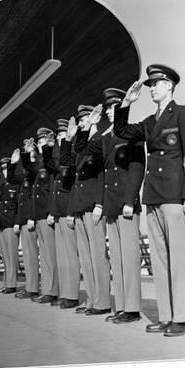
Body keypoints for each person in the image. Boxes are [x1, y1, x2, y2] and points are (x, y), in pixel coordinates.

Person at [114, 64, 185, 337]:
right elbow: (121, 131)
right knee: (160, 259)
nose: (151, 88)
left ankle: (182, 318)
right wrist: (126, 103)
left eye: (156, 83)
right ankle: (166, 317)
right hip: (153, 195)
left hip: (174, 196)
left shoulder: (182, 113)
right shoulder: (150, 123)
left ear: (169, 86)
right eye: (150, 84)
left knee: (177, 259)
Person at [83, 88, 145, 324]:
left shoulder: (132, 133)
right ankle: (121, 306)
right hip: (111, 205)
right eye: (108, 108)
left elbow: (137, 167)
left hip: (125, 204)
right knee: (117, 258)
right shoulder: (106, 137)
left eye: (113, 107)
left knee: (129, 258)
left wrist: (130, 200)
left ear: (122, 107)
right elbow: (86, 150)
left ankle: (132, 309)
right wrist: (90, 126)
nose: (110, 112)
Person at [66, 106, 111, 316]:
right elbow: (66, 163)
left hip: (93, 206)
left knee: (97, 255)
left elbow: (103, 174)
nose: (82, 122)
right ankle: (92, 299)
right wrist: (68, 139)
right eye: (81, 120)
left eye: (85, 119)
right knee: (85, 257)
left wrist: (100, 204)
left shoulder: (101, 139)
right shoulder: (80, 146)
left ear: (94, 119)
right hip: (80, 206)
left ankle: (102, 302)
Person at [44, 119, 80, 309]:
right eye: (58, 135)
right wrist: (48, 148)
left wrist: (71, 211)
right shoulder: (60, 156)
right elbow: (50, 168)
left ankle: (72, 295)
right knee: (62, 256)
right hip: (58, 211)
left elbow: (74, 186)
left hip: (68, 210)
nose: (59, 137)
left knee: (70, 255)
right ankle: (65, 293)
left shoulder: (72, 153)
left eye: (62, 134)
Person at [21, 128, 59, 304]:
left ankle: (52, 290)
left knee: (50, 254)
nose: (41, 143)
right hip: (39, 215)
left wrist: (52, 211)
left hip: (47, 213)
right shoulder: (41, 162)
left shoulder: (51, 161)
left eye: (43, 141)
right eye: (40, 142)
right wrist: (28, 153)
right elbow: (31, 170)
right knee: (44, 255)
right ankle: (47, 289)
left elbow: (52, 189)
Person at [0, 152, 22, 294]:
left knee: (11, 255)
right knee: (4, 254)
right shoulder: (2, 186)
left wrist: (18, 223)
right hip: (1, 224)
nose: (4, 171)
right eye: (2, 169)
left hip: (11, 224)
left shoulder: (17, 183)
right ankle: (6, 283)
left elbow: (21, 204)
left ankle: (11, 285)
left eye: (6, 168)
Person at [13, 145, 40, 299]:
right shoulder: (26, 175)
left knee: (31, 256)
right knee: (28, 256)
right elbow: (21, 201)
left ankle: (33, 288)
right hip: (24, 220)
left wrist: (30, 217)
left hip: (31, 219)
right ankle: (30, 286)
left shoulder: (35, 172)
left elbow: (33, 198)